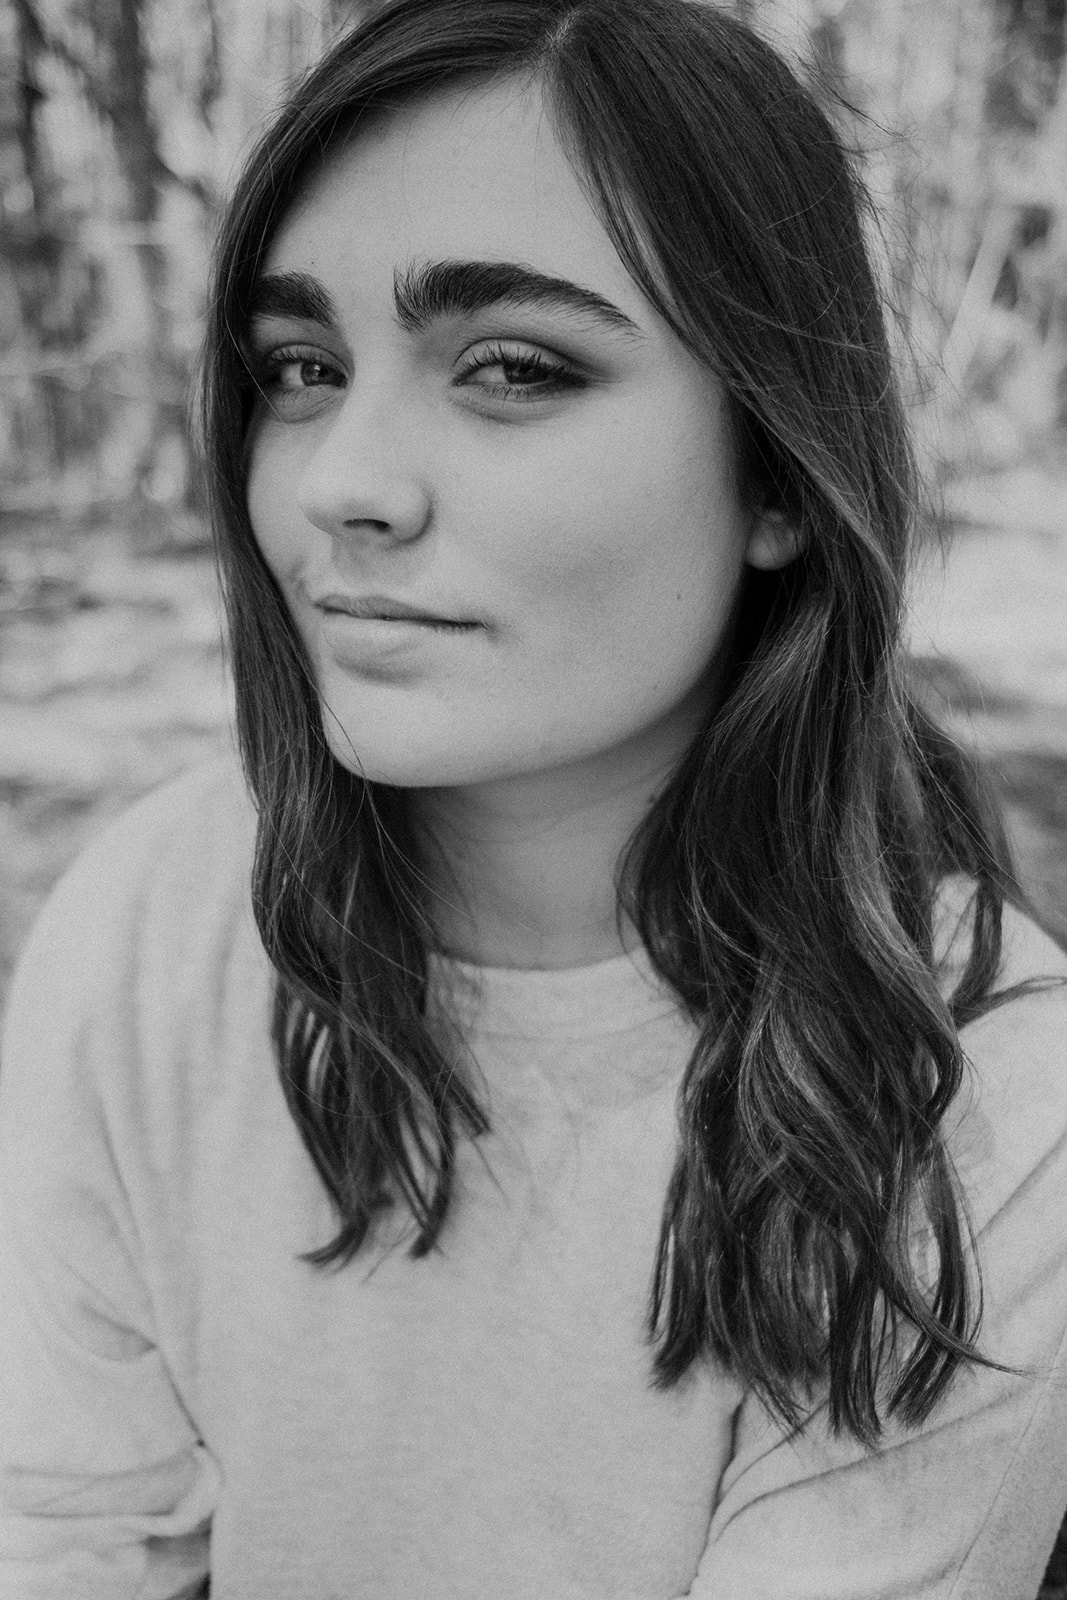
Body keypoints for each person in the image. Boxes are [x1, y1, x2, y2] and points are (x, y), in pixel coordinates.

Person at [2, 0, 1066, 1595]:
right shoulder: (154, 925)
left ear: (778, 470)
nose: (343, 482)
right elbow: (62, 1538)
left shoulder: (984, 1095)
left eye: (510, 367)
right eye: (301, 366)